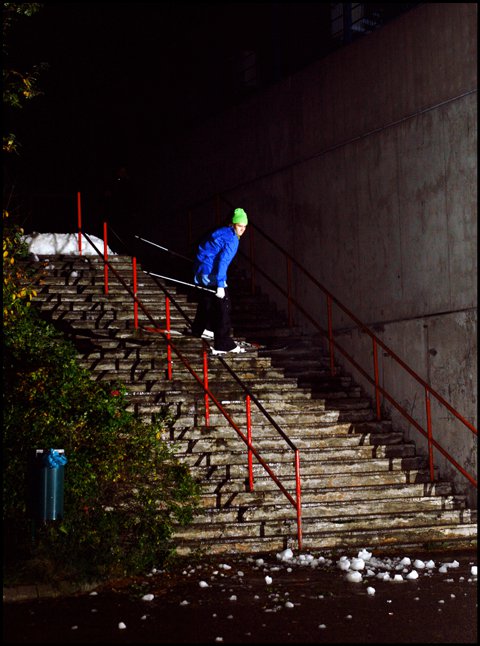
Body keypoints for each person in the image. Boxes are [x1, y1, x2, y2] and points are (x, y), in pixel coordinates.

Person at [188, 208, 249, 354]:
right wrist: (221, 284)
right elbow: (223, 262)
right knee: (224, 306)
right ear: (233, 224)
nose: (242, 230)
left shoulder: (221, 231)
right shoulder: (232, 239)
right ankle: (223, 342)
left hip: (202, 270)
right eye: (240, 226)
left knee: (207, 299)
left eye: (245, 227)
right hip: (212, 272)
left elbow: (203, 248)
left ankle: (201, 328)